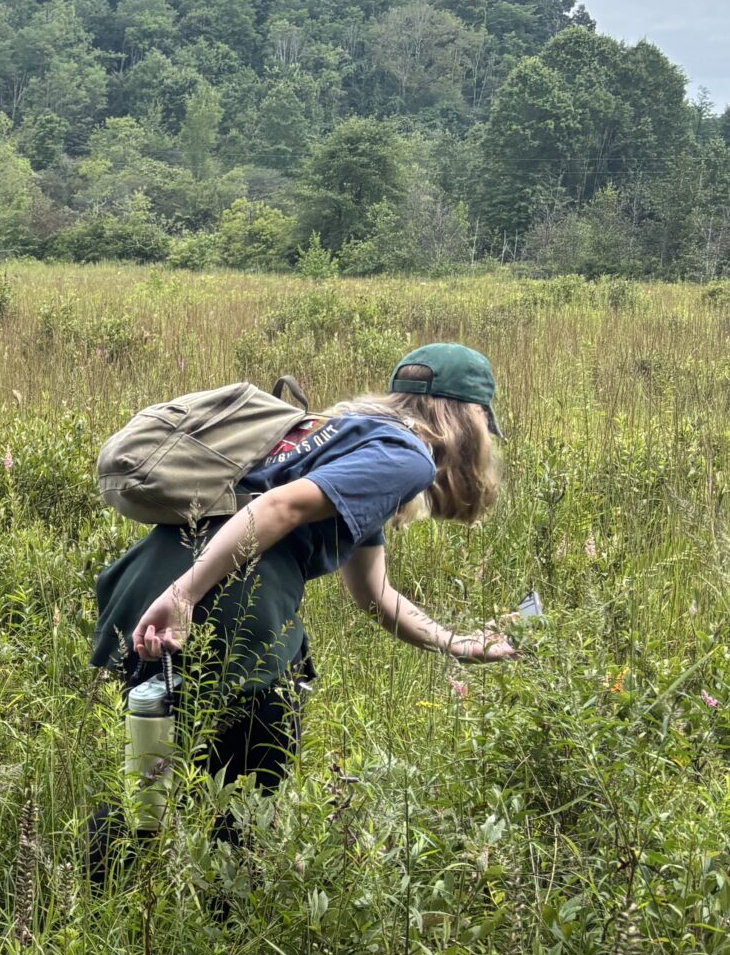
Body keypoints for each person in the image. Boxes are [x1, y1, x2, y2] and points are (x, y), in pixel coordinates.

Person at [92, 344, 516, 805]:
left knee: (145, 795)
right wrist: (184, 597)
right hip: (228, 613)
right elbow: (280, 507)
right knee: (240, 811)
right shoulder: (405, 458)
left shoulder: (339, 437)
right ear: (470, 418)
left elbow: (375, 594)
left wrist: (458, 644)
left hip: (143, 591)